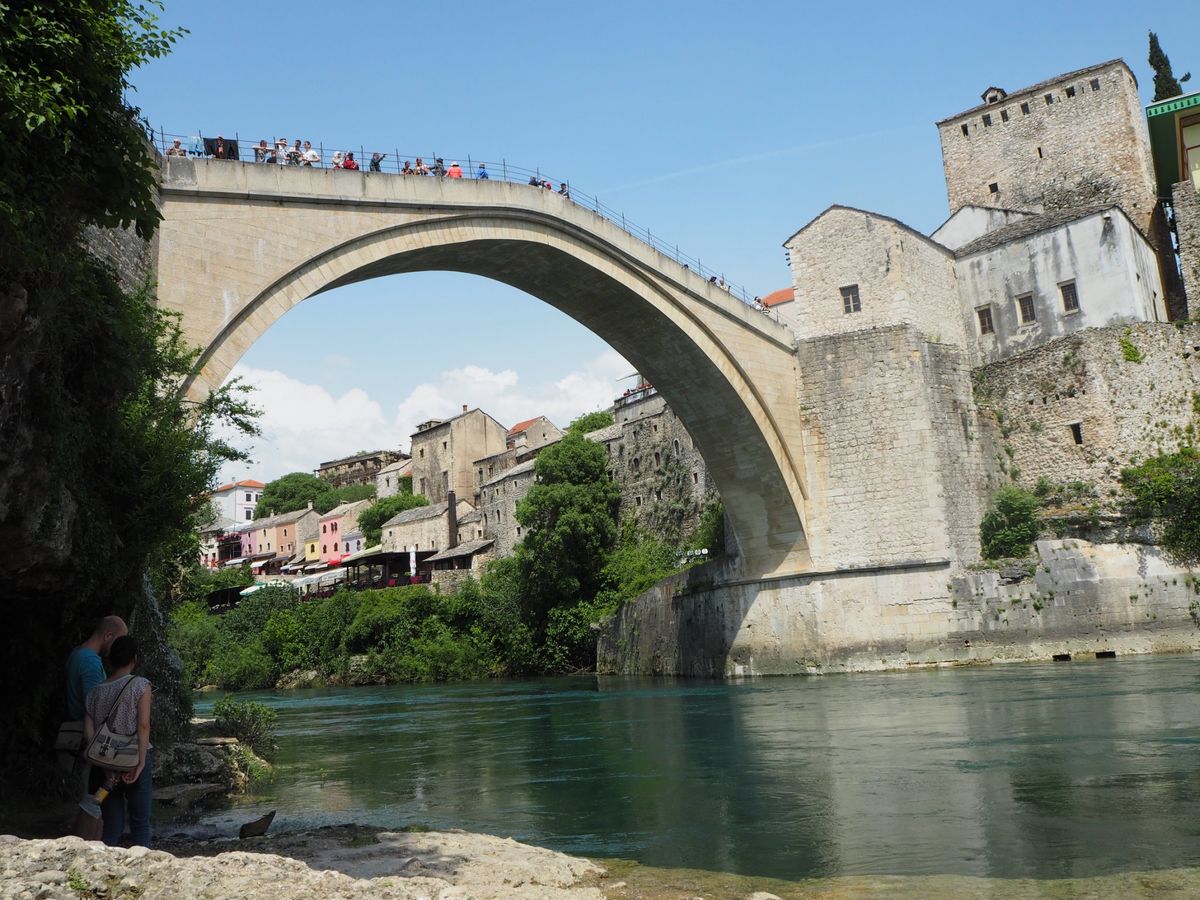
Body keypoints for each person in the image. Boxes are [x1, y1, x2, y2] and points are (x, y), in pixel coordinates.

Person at [84, 635, 152, 848]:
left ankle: (106, 864)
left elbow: (89, 733)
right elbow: (143, 725)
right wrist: (141, 762)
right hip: (133, 757)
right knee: (140, 824)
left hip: (103, 763)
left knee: (112, 827)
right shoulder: (140, 685)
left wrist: (104, 764)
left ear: (111, 660)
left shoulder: (94, 692)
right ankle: (144, 865)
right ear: (134, 658)